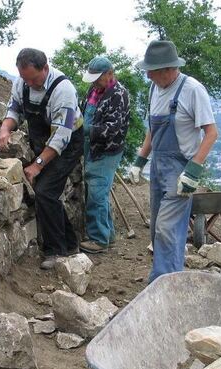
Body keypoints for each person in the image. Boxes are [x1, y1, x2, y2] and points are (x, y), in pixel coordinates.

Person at [129, 40, 218, 283]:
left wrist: (193, 170)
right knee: (158, 230)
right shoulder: (154, 88)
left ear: (169, 69)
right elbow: (153, 130)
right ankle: (169, 279)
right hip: (158, 168)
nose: (147, 75)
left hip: (180, 171)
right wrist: (140, 159)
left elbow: (211, 133)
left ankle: (161, 284)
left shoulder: (192, 90)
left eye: (152, 70)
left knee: (167, 229)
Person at [0, 48, 84, 270]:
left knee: (45, 191)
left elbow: (61, 136)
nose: (30, 84)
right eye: (25, 79)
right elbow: (14, 108)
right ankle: (72, 243)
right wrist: (5, 129)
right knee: (48, 193)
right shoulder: (22, 82)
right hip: (41, 140)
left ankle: (57, 251)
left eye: (34, 79)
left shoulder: (63, 90)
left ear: (45, 68)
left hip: (68, 144)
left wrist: (37, 165)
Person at [79, 57, 130, 254]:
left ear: (109, 74)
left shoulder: (119, 95)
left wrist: (84, 129)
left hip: (106, 150)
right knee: (98, 190)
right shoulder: (94, 91)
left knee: (97, 192)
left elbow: (113, 128)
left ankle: (98, 239)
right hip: (91, 147)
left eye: (97, 78)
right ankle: (107, 235)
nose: (94, 82)